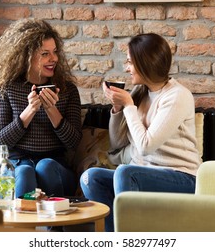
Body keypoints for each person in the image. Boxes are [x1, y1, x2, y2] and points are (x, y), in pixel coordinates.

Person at [80, 33, 202, 231]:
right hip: (142, 174)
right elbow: (117, 143)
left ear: (145, 63)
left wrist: (129, 106)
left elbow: (146, 146)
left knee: (125, 173)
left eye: (130, 62)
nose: (126, 68)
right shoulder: (140, 93)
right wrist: (118, 109)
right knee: (91, 177)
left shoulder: (177, 96)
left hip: (182, 178)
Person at [0, 18, 82, 199]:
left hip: (55, 165)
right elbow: (2, 141)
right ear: (26, 56)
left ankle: (55, 226)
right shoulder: (5, 90)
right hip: (17, 162)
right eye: (45, 53)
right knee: (24, 171)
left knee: (45, 166)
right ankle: (23, 225)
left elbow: (74, 142)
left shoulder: (67, 90)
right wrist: (30, 110)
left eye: (55, 52)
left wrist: (51, 109)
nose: (53, 59)